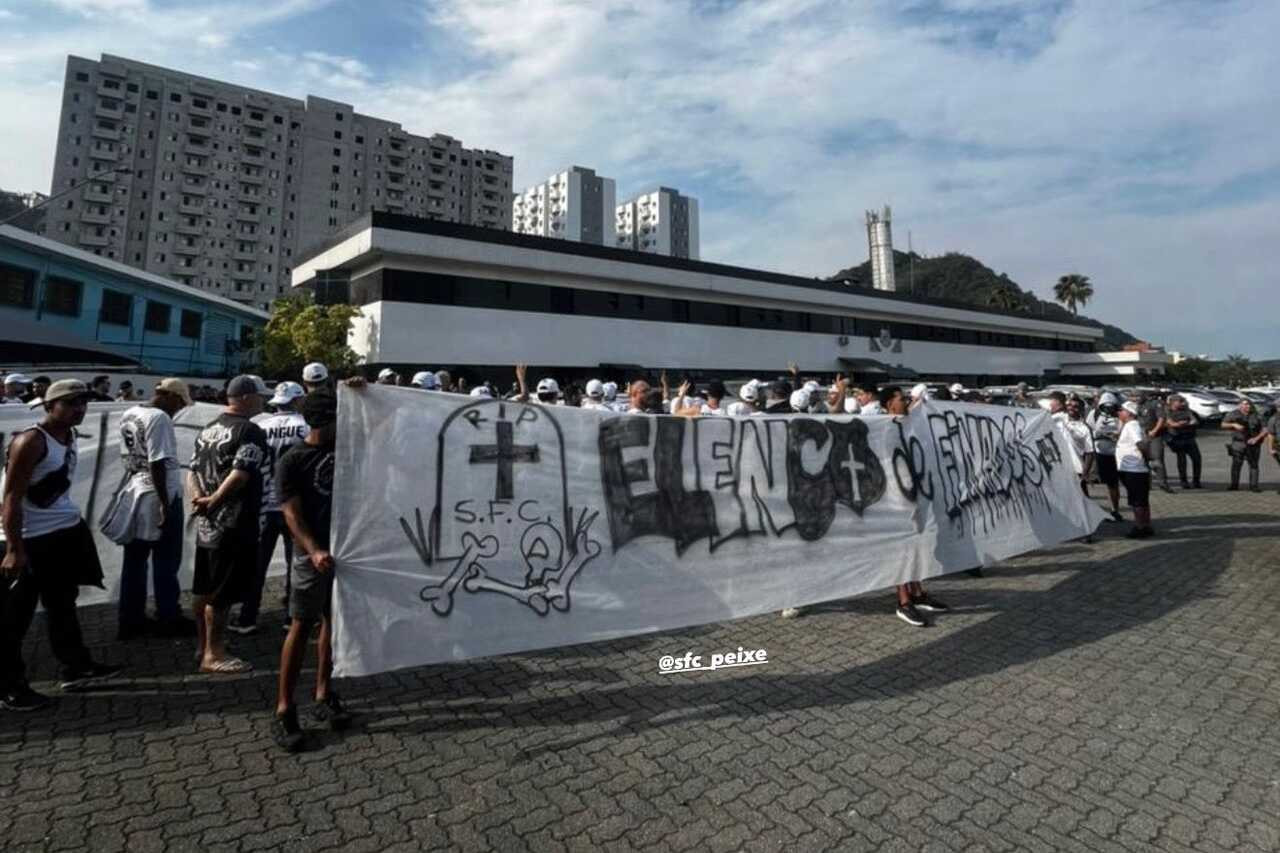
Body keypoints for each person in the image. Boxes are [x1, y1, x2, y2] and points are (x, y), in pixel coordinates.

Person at [1, 380, 124, 711]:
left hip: (62, 533)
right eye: (70, 403)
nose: (79, 409)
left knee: (62, 604)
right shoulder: (31, 441)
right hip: (30, 538)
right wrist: (14, 548)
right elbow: (10, 497)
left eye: (83, 402)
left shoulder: (68, 435)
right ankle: (10, 687)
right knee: (14, 617)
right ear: (49, 406)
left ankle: (76, 666)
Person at [271, 388, 353, 751]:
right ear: (325, 421)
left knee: (332, 621)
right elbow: (291, 513)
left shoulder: (346, 450)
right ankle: (284, 708)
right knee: (302, 624)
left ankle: (323, 693)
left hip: (345, 550)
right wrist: (314, 549)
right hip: (311, 555)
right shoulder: (293, 460)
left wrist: (361, 391)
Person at [188, 375, 269, 674]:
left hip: (207, 524)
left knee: (204, 588)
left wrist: (199, 499)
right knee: (222, 594)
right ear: (246, 397)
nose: (263, 401)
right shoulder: (250, 430)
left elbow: (192, 470)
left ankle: (203, 646)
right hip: (233, 522)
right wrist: (215, 500)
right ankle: (214, 653)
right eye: (260, 396)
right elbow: (241, 473)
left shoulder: (208, 429)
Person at [116, 378, 196, 640]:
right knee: (166, 559)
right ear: (170, 396)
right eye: (179, 403)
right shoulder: (159, 418)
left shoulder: (130, 412)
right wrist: (164, 502)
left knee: (135, 559)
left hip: (136, 488)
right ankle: (168, 616)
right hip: (159, 493)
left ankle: (131, 619)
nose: (178, 409)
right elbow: (158, 462)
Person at [232, 381, 310, 635]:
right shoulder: (306, 427)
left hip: (264, 503)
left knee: (257, 564)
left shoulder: (260, 427)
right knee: (295, 564)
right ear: (297, 401)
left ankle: (247, 617)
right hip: (295, 505)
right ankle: (292, 617)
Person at [1116, 401, 1154, 538]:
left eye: (1121, 410)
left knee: (1137, 500)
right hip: (1132, 468)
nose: (1119, 412)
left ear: (1129, 413)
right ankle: (1146, 525)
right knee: (1142, 499)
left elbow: (1140, 444)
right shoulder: (1131, 425)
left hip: (1134, 468)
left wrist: (1147, 458)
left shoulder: (1132, 425)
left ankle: (1140, 526)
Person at [1086, 392, 1125, 522]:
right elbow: (1088, 430)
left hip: (1117, 454)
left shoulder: (1120, 415)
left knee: (1114, 483)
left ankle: (1115, 509)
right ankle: (1111, 509)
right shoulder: (1094, 414)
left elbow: (1125, 431)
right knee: (1106, 482)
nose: (1109, 410)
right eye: (1106, 407)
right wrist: (1099, 436)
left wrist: (1116, 436)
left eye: (1111, 407)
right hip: (1100, 453)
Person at [1222, 398, 1266, 492]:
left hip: (1253, 443)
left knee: (1253, 465)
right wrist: (1233, 425)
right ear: (1240, 405)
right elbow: (1223, 424)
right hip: (1238, 442)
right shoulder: (1233, 414)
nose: (1248, 406)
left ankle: (1254, 486)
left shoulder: (1257, 415)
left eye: (1249, 404)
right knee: (1236, 464)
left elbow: (1265, 429)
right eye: (1245, 404)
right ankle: (1234, 485)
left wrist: (1256, 438)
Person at [1164, 394, 1202, 489]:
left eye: (1182, 401)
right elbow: (1171, 423)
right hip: (1177, 438)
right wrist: (1180, 424)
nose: (1182, 403)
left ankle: (1196, 481)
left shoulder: (1186, 410)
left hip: (1189, 437)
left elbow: (1195, 421)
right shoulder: (1167, 411)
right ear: (1173, 402)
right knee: (1182, 459)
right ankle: (1183, 481)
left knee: (1197, 459)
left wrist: (1186, 423)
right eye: (1180, 401)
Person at [1138, 392, 1172, 493]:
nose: (1135, 398)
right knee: (1144, 460)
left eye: (1137, 396)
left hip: (1154, 435)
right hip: (1142, 435)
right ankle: (1147, 484)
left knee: (1157, 460)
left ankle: (1163, 483)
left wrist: (1154, 431)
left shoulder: (1155, 403)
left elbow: (1161, 418)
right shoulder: (1138, 405)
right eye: (1132, 396)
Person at [1061, 397, 1095, 497]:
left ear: (1081, 409)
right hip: (1061, 467)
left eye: (1075, 406)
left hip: (1077, 469)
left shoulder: (1084, 428)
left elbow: (1090, 452)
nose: (1071, 408)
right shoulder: (1060, 419)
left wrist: (1085, 473)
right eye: (1069, 405)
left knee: (1083, 499)